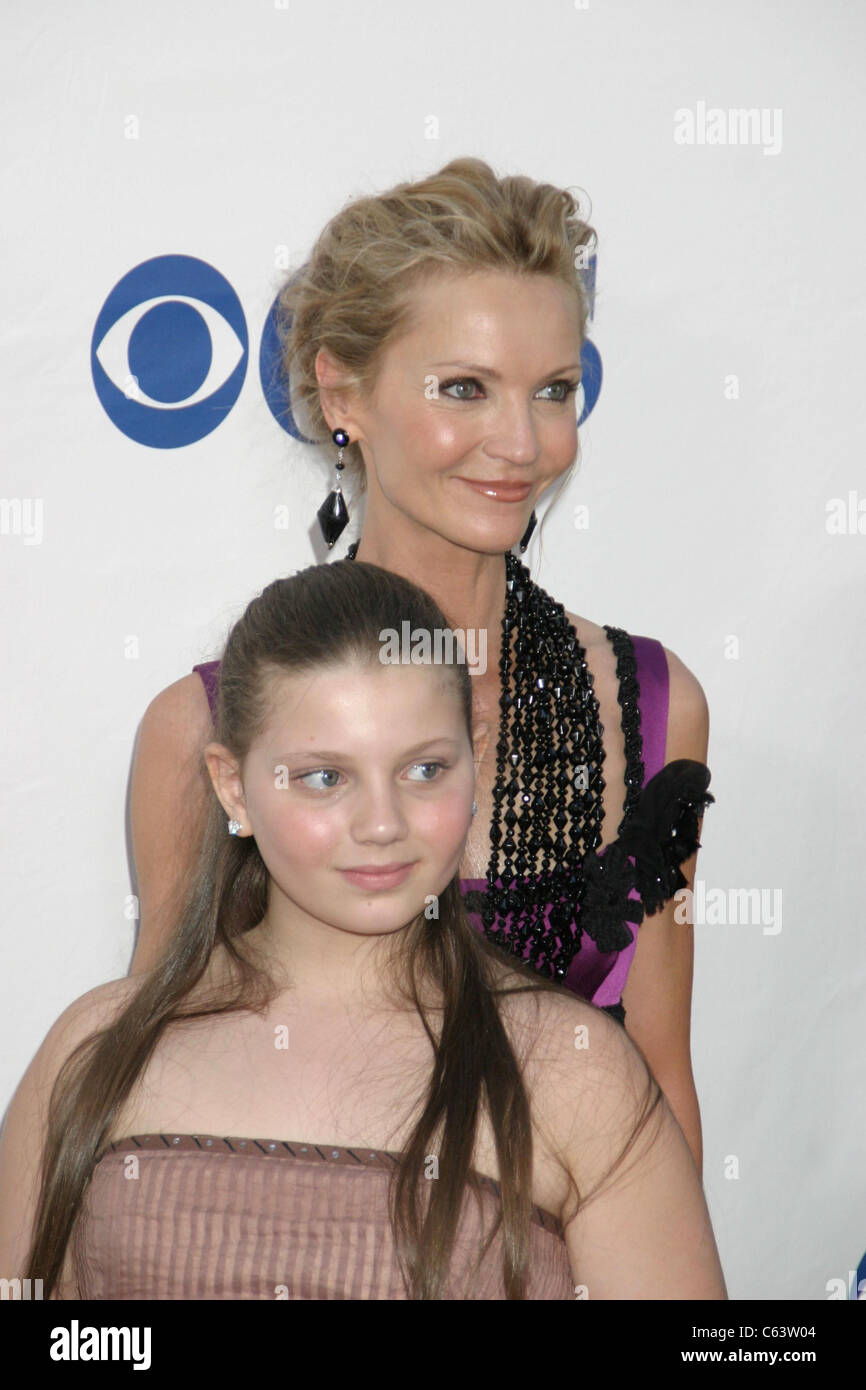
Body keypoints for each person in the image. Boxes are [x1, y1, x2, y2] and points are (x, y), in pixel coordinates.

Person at [128, 156, 714, 1173]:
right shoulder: (204, 729)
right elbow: (147, 1085)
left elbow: (660, 1081)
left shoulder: (651, 705)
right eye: (463, 389)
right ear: (341, 390)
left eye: (553, 391)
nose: (520, 443)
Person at [0, 560, 727, 1300]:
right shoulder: (94, 1053)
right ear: (232, 787)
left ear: (474, 761)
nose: (382, 825)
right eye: (325, 777)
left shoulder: (579, 1076)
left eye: (424, 770)